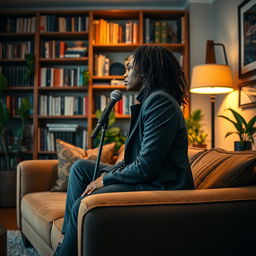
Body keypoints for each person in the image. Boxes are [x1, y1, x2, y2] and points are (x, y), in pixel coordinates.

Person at [54, 45, 194, 256]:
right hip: (147, 178)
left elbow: (145, 167)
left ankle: (65, 252)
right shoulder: (150, 101)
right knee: (81, 167)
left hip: (159, 186)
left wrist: (104, 179)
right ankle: (69, 239)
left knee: (82, 204)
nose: (124, 74)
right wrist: (109, 175)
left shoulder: (160, 102)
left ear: (145, 71)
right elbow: (132, 159)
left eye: (129, 68)